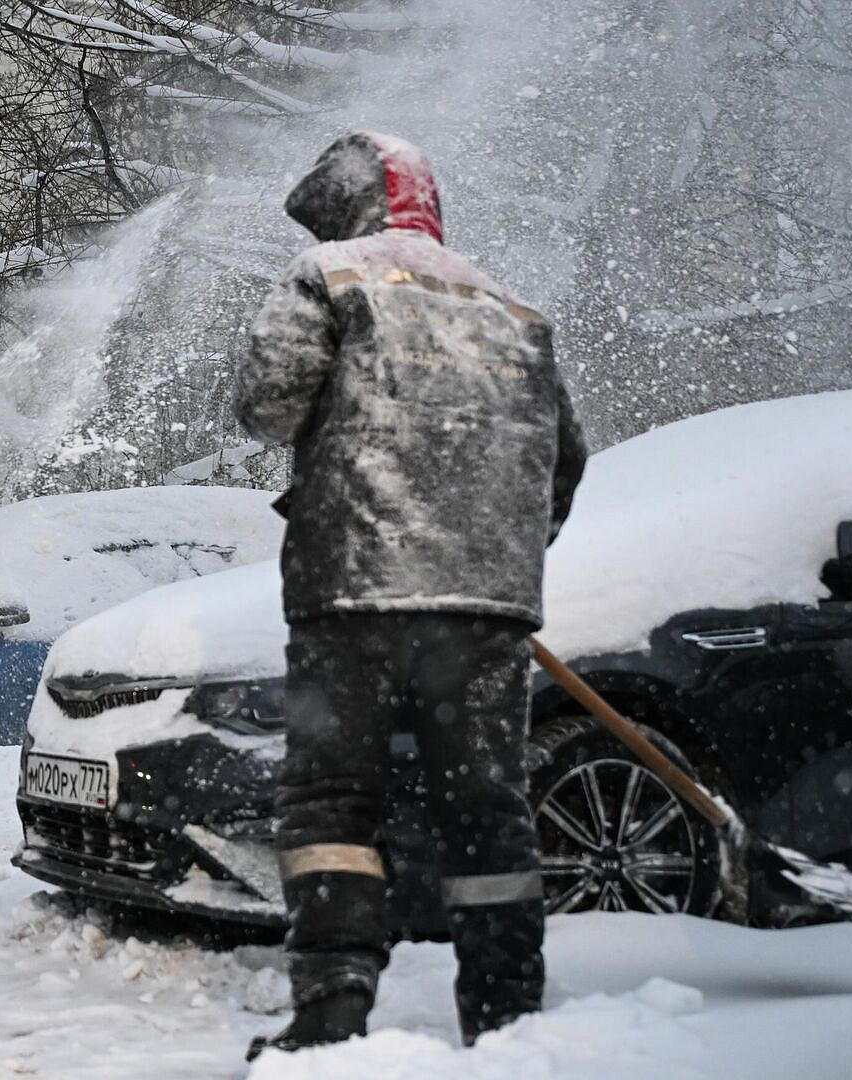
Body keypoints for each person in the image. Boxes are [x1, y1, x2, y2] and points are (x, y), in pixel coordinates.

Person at [235, 131, 588, 1057]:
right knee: (487, 811)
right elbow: (563, 462)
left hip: (350, 594)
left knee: (332, 804)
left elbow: (268, 404)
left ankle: (333, 1008)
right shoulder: (513, 308)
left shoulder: (329, 276)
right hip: (485, 610)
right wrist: (486, 557)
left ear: (347, 207)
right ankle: (509, 1019)